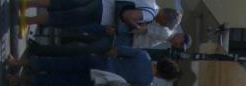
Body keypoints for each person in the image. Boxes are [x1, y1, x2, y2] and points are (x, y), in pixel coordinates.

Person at [12, 48, 180, 86]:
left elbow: (116, 51)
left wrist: (105, 58)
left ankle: (16, 62)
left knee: (60, 63)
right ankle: (17, 79)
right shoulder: (145, 84)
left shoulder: (144, 56)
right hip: (100, 82)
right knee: (59, 81)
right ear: (162, 77)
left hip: (100, 62)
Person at [22, 0, 161, 32]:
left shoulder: (151, 1)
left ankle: (28, 3)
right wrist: (138, 28)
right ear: (164, 19)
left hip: (103, 2)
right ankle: (27, 20)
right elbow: (127, 16)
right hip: (103, 13)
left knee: (64, 3)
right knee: (65, 18)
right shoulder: (150, 14)